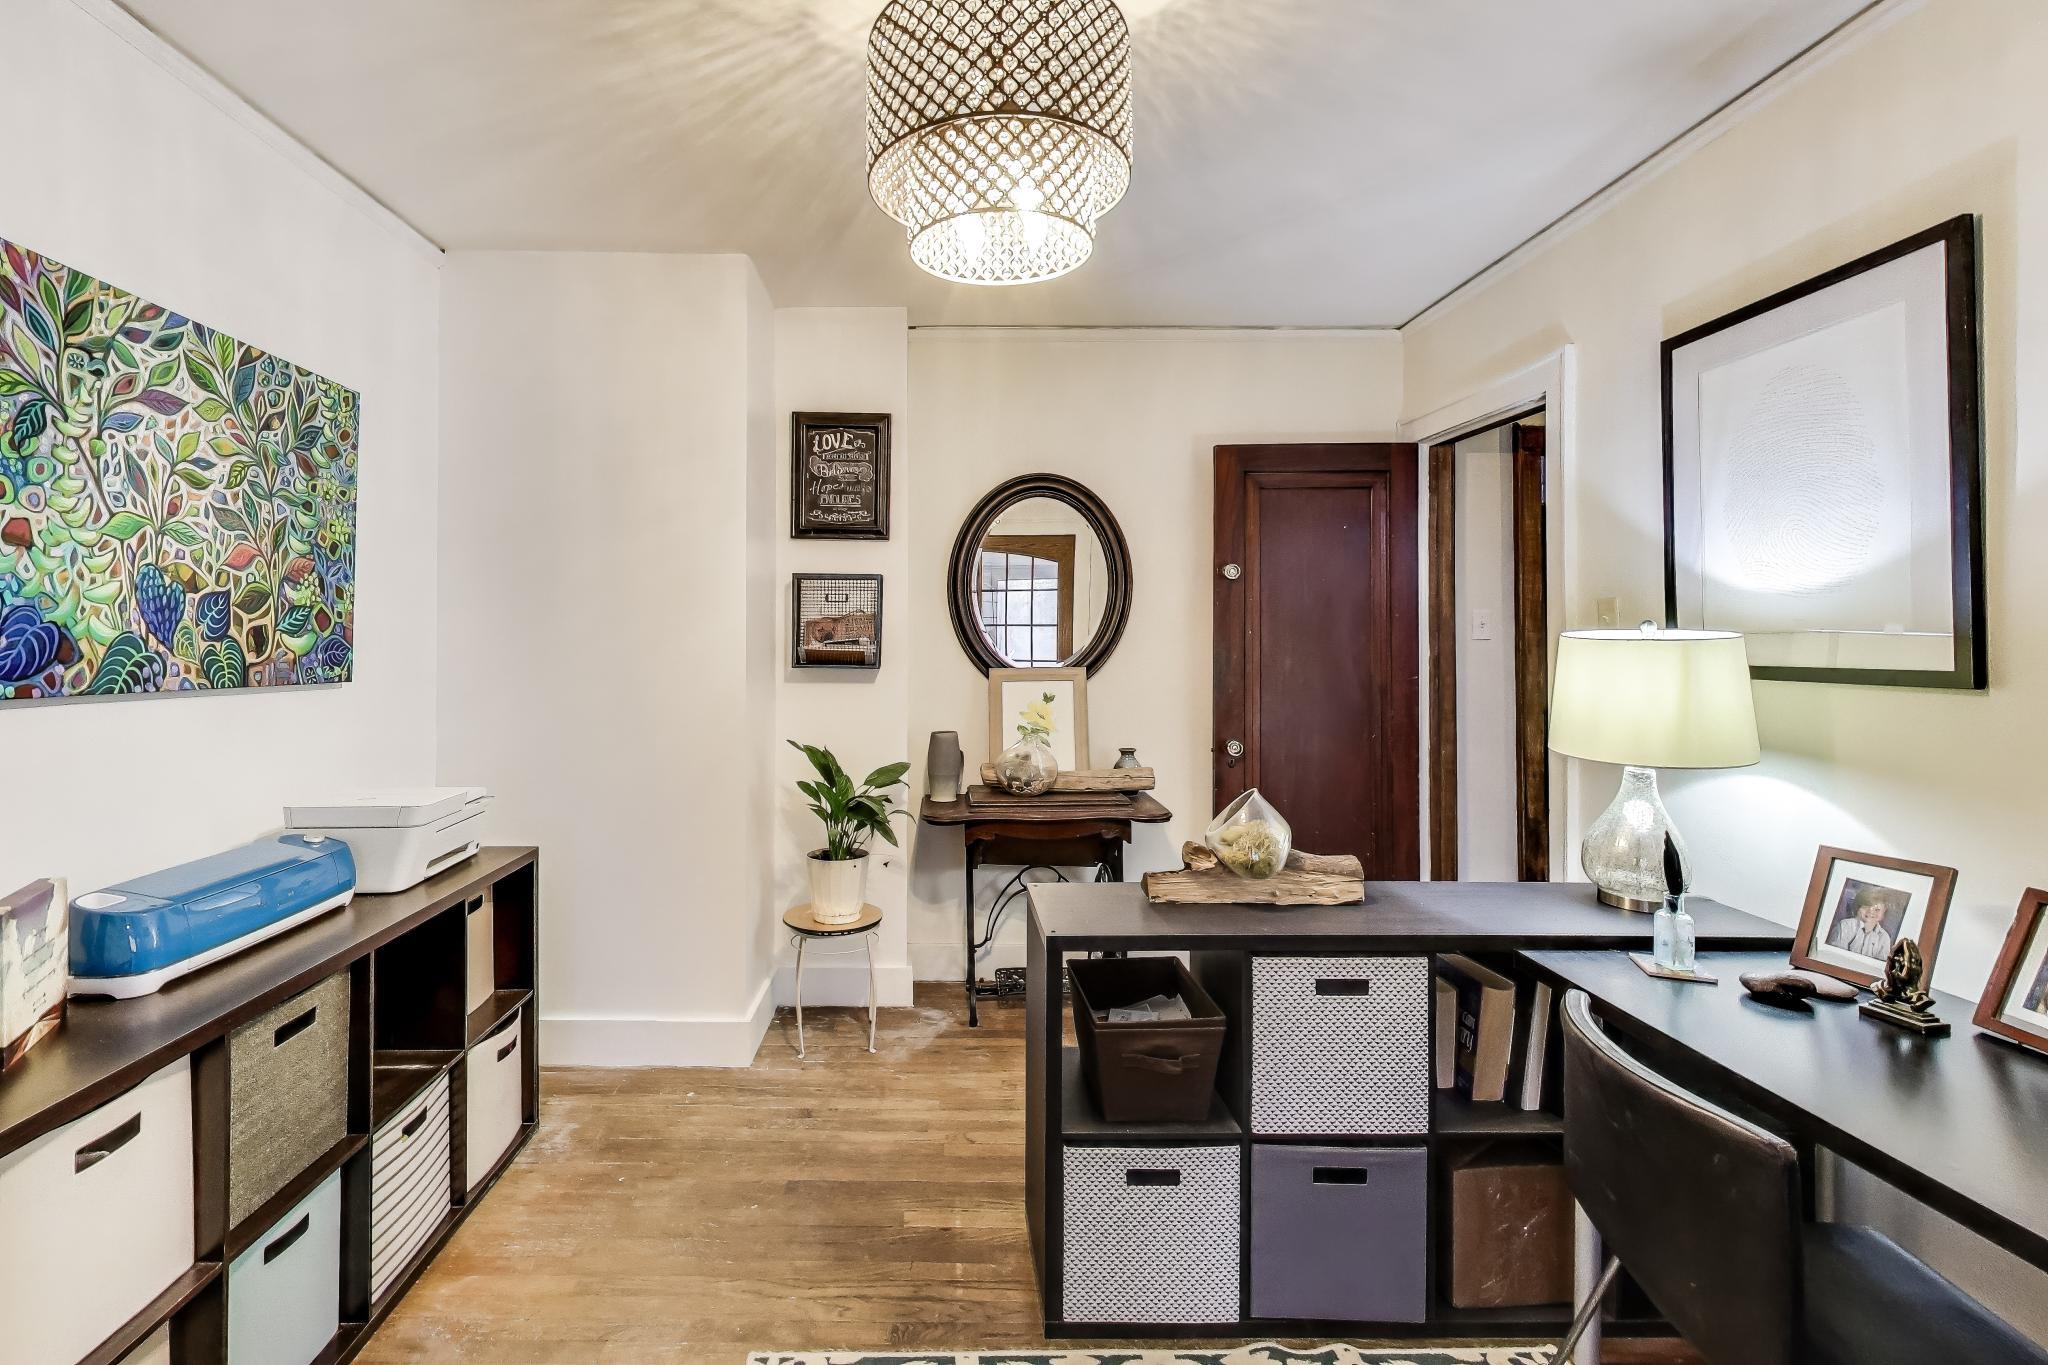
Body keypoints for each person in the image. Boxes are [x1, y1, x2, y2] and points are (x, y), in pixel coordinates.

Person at [1827, 887, 1895, 961]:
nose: (1871, 912)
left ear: (1883, 913)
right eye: (1866, 907)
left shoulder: (1884, 937)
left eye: (1877, 910)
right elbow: (1834, 956)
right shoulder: (1845, 926)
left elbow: (1881, 964)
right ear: (1858, 908)